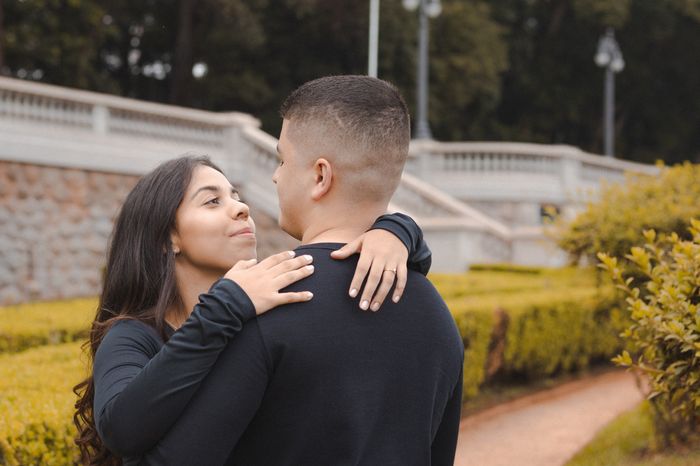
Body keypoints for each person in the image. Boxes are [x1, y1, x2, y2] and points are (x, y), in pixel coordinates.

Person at [142, 76, 464, 465]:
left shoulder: (267, 305)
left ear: (320, 176)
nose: (275, 175)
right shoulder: (438, 317)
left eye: (282, 159)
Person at [73, 154, 431, 466]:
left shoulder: (263, 311)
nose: (241, 208)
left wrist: (398, 229)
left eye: (236, 196)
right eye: (212, 201)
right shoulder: (132, 336)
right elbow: (121, 430)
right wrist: (225, 307)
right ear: (170, 239)